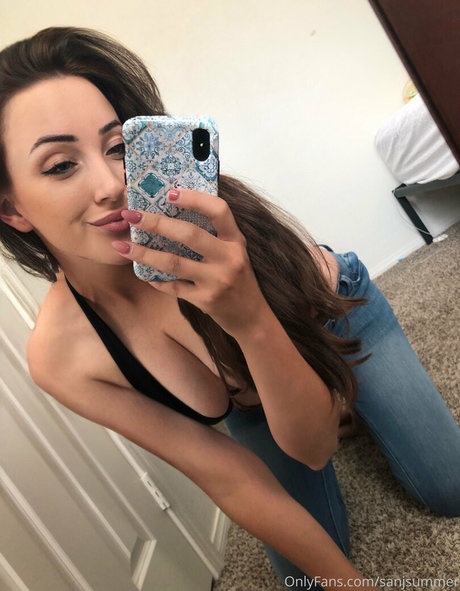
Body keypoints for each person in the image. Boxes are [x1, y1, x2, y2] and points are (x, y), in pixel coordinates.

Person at [0, 26, 458, 591]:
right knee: (306, 576)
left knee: (451, 490)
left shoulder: (210, 222)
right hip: (251, 396)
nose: (112, 185)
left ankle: (351, 398)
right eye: (59, 165)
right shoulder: (62, 358)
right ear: (12, 208)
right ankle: (333, 403)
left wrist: (250, 316)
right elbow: (230, 478)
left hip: (332, 314)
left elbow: (315, 445)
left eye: (118, 146)